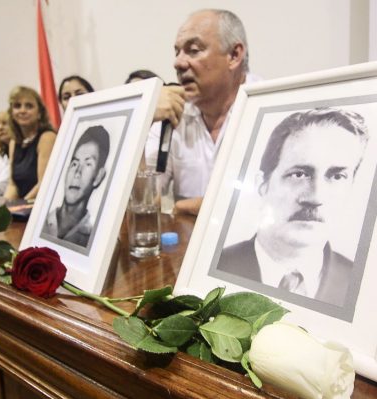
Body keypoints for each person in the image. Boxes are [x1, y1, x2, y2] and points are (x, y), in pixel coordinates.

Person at [217, 107, 369, 306]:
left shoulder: (364, 290)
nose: (316, 197)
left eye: (336, 176)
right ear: (262, 185)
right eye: (299, 174)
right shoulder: (218, 266)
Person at [148, 9, 260, 216]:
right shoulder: (172, 116)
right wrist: (143, 120)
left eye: (193, 50)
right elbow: (145, 200)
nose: (178, 63)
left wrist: (176, 205)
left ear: (234, 55)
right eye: (177, 52)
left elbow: (259, 204)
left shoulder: (267, 110)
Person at [42, 125, 110, 247]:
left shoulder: (95, 238)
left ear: (99, 176)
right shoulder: (41, 223)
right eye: (74, 163)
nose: (77, 172)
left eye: (88, 164)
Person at [4, 86, 56, 201]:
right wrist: (5, 207)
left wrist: (18, 206)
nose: (22, 110)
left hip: (41, 204)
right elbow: (13, 185)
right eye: (17, 106)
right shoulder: (14, 142)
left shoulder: (47, 137)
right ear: (12, 113)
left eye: (29, 106)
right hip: (23, 206)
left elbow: (43, 184)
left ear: (39, 113)